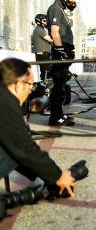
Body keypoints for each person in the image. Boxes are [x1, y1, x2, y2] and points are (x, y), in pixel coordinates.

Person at [0, 58, 75, 196]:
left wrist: (47, 176)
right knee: (14, 147)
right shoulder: (5, 102)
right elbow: (23, 148)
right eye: (30, 85)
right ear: (18, 85)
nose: (30, 91)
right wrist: (58, 176)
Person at [46, 0, 84, 127]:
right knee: (58, 86)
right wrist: (61, 50)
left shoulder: (61, 10)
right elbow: (54, 32)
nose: (74, 0)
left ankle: (58, 115)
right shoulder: (55, 8)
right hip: (60, 51)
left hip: (65, 50)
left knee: (61, 85)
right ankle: (55, 117)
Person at [31, 14, 53, 80]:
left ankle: (45, 87)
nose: (46, 22)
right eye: (44, 21)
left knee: (44, 72)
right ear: (38, 22)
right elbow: (50, 39)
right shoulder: (39, 30)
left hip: (43, 53)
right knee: (47, 72)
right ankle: (46, 87)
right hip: (43, 54)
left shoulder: (40, 29)